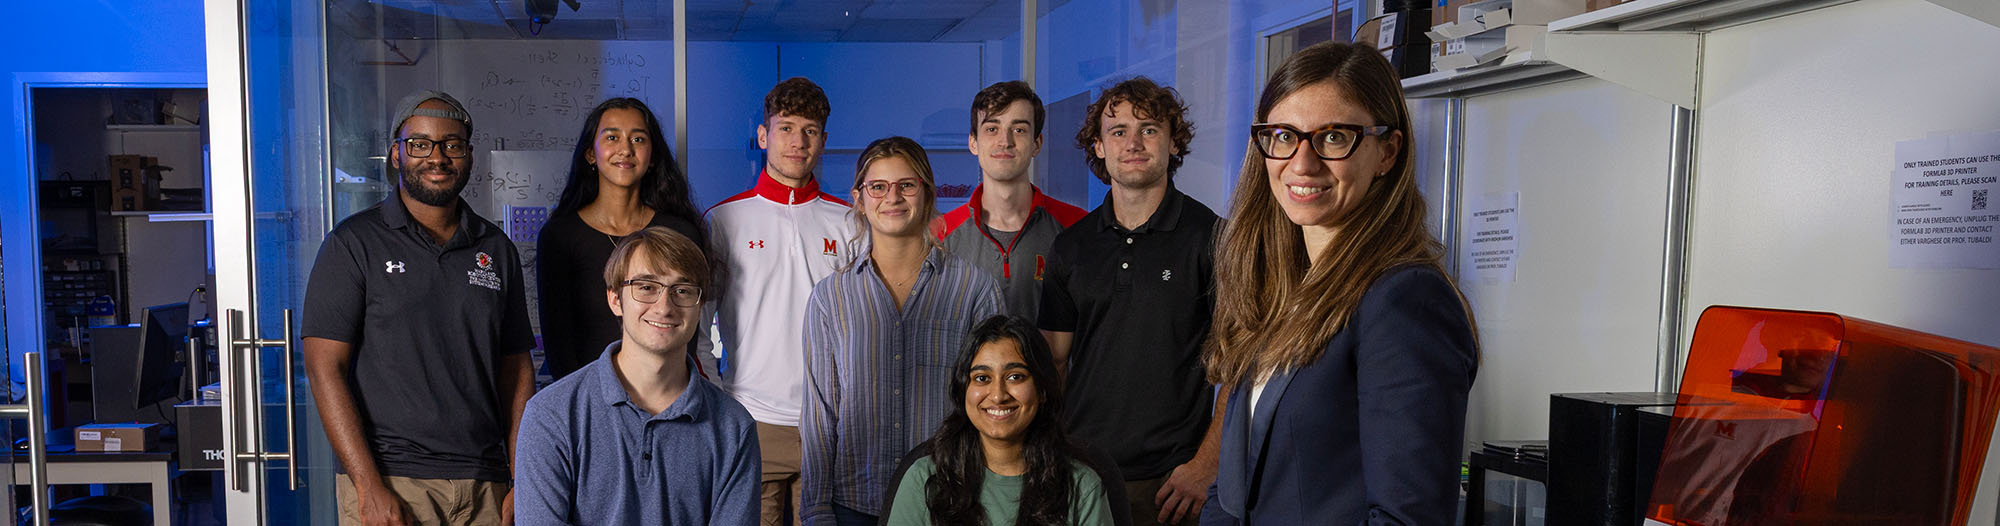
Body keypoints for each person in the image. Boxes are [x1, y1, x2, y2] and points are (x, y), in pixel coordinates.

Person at [1202, 41, 1478, 525]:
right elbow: (1231, 492)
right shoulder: (1279, 291)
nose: (1302, 163)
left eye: (1333, 137)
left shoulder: (1402, 298)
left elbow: (1405, 519)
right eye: (1284, 135)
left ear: (1387, 152)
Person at [302, 90, 536, 526]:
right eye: (420, 144)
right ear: (397, 154)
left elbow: (517, 369)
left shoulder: (496, 249)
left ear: (468, 155)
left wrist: (522, 478)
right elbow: (323, 368)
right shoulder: (353, 244)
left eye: (452, 144)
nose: (438, 157)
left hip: (485, 484)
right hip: (393, 482)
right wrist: (367, 487)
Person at [1039, 77, 1223, 526]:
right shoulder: (1072, 247)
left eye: (1149, 128)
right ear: (1099, 147)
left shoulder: (1212, 238)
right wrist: (1050, 457)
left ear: (1174, 142)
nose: (1133, 142)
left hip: (1173, 484)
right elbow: (1053, 365)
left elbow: (1242, 368)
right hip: (1082, 473)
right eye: (1117, 130)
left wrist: (1205, 467)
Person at [799, 136, 1004, 526]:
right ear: (859, 199)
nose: (892, 197)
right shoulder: (831, 298)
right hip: (854, 504)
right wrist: (816, 509)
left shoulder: (974, 289)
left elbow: (992, 408)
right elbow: (820, 416)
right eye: (878, 187)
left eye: (906, 185)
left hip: (947, 500)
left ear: (926, 194)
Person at [514, 226, 761, 526]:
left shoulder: (734, 428)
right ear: (615, 299)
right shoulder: (551, 416)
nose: (664, 307)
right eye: (646, 287)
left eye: (682, 290)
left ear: (700, 307)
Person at [704, 76, 857, 526]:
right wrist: (719, 400)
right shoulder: (723, 219)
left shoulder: (848, 222)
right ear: (763, 135)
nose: (798, 141)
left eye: (810, 130)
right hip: (753, 420)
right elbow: (698, 325)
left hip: (830, 424)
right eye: (786, 127)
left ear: (823, 140)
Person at [882, 315, 1118, 526]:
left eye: (1015, 377)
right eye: (982, 378)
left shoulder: (1081, 488)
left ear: (1042, 389)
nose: (998, 395)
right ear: (964, 390)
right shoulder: (925, 480)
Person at [537, 97, 710, 382]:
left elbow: (685, 331)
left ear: (652, 156)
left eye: (638, 139)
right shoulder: (559, 236)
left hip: (665, 394)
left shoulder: (681, 231)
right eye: (612, 137)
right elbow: (559, 347)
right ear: (591, 154)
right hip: (589, 403)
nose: (626, 149)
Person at [937, 81, 1089, 320]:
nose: (1005, 141)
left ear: (1037, 144)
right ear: (973, 142)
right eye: (991, 129)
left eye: (1019, 130)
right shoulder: (939, 234)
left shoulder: (1078, 227)